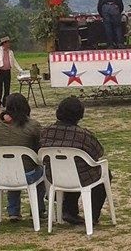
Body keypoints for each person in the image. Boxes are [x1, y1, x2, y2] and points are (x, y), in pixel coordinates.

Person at [40, 97, 107, 226]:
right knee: (102, 173)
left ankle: (69, 210)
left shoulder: (45, 132)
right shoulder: (84, 135)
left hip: (53, 176)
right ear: (80, 115)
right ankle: (92, 215)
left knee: (73, 169)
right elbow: (98, 153)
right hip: (80, 176)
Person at [0, 94, 44, 221]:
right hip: (27, 173)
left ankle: (13, 211)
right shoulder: (33, 125)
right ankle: (38, 209)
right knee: (39, 171)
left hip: (1, 174)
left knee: (11, 166)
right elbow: (40, 148)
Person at [0, 37, 23, 109]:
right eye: (8, 42)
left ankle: (5, 102)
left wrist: (20, 70)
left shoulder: (10, 52)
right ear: (4, 43)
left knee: (7, 87)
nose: (9, 44)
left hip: (7, 71)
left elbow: (14, 61)